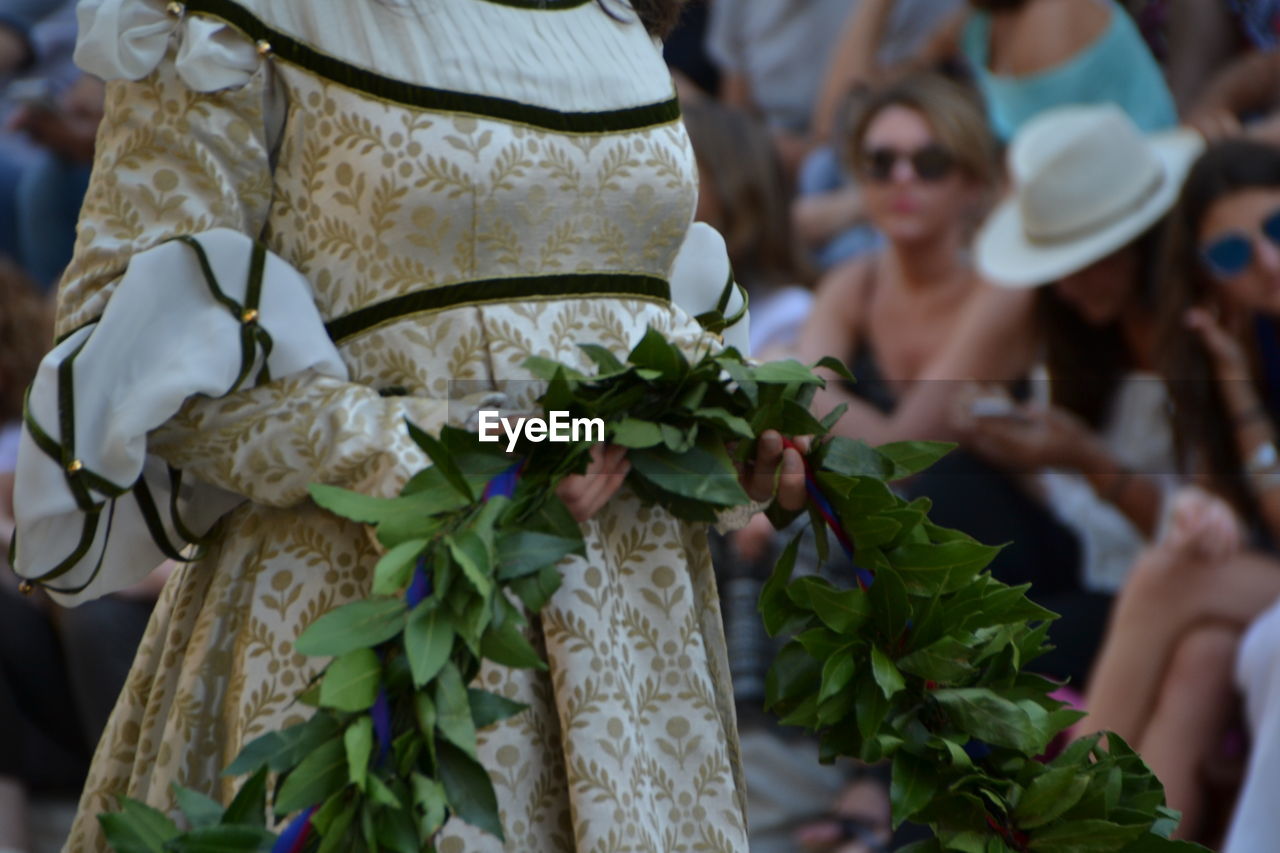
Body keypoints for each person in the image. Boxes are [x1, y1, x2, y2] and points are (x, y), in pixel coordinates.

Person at [9, 1, 808, 850]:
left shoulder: (614, 14)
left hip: (631, 632)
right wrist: (475, 453)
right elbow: (145, 356)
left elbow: (626, 300)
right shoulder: (234, 16)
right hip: (376, 596)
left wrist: (720, 431)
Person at [1077, 139, 1280, 844]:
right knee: (1200, 659)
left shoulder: (1239, 360)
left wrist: (1238, 388)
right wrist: (1204, 510)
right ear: (1204, 276)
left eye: (1277, 229)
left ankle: (1053, 817)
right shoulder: (1237, 336)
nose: (1267, 261)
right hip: (1263, 583)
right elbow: (1223, 498)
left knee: (1168, 579)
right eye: (1231, 255)